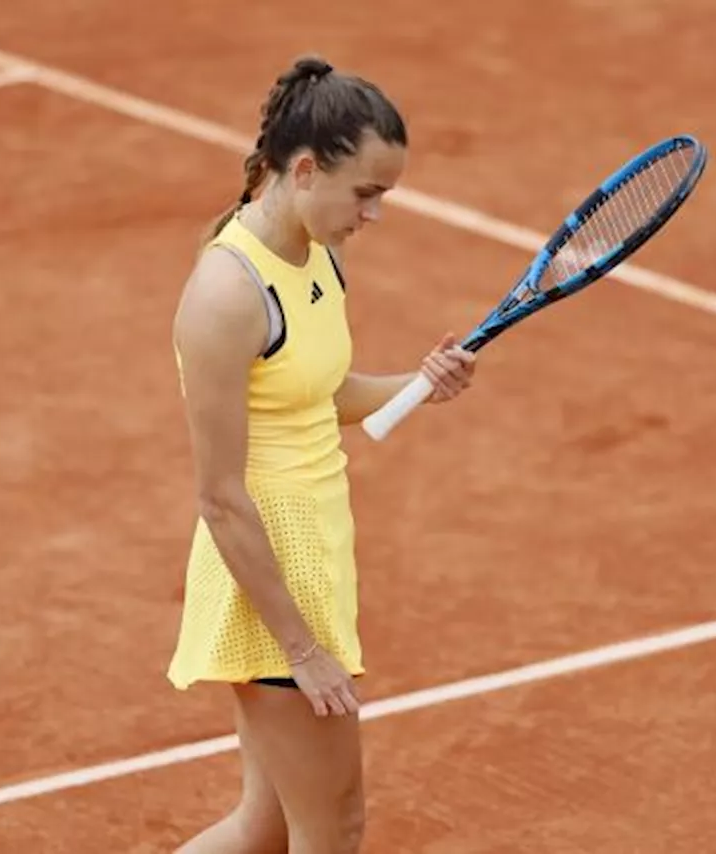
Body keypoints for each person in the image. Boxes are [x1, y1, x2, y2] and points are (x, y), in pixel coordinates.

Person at [166, 55, 477, 854]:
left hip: (315, 554)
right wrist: (299, 648)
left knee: (265, 828)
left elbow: (319, 393)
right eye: (366, 194)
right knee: (332, 829)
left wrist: (421, 383)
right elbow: (219, 497)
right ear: (305, 169)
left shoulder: (313, 256)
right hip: (271, 574)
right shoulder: (227, 295)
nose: (373, 215)